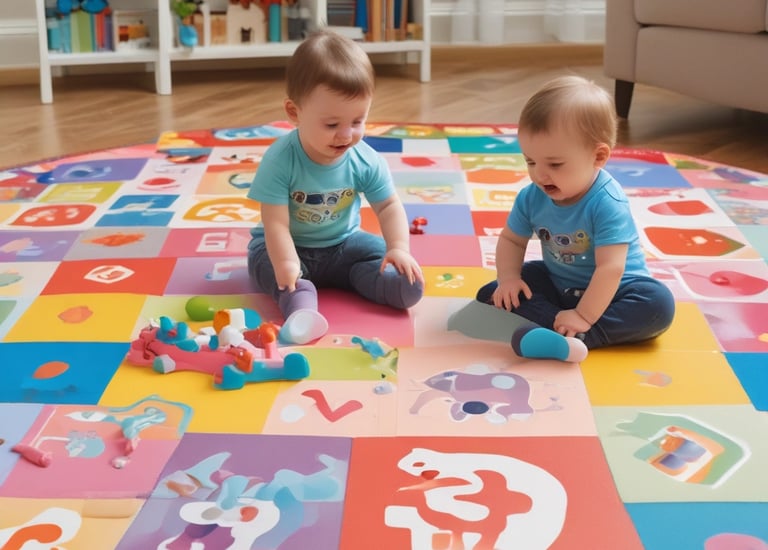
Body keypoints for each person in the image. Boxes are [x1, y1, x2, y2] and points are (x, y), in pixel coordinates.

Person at [476, 75, 675, 363]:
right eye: (530, 161)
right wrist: (509, 279)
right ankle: (558, 326)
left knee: (658, 306)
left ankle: (579, 336)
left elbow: (611, 268)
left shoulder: (607, 202)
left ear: (598, 157)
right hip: (560, 286)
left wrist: (584, 315)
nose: (540, 175)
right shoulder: (531, 196)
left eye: (555, 164)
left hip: (615, 292)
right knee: (493, 292)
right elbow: (511, 239)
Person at [247, 30, 424, 345]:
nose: (346, 135)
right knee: (269, 267)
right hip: (289, 246)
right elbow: (275, 222)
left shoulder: (364, 160)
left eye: (357, 122)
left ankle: (386, 285)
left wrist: (398, 248)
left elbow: (388, 206)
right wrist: (287, 264)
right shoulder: (280, 159)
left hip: (344, 246)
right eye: (332, 125)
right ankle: (301, 308)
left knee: (387, 262)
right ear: (294, 113)